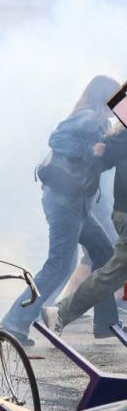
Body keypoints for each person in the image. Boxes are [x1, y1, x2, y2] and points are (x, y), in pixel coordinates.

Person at [0, 75, 121, 345]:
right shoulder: (88, 116)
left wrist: (103, 151)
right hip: (64, 201)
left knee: (103, 253)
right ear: (104, 97)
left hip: (77, 204)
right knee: (58, 265)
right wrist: (93, 150)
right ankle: (13, 323)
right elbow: (57, 139)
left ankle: (106, 323)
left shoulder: (99, 120)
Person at [43, 120, 127, 336]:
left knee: (113, 269)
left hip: (119, 211)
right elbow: (100, 162)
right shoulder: (121, 138)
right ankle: (61, 312)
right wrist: (93, 152)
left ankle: (65, 313)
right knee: (113, 272)